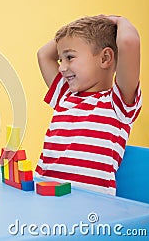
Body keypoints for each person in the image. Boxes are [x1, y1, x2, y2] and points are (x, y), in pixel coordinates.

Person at [34, 15, 142, 195]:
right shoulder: (65, 95)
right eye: (61, 59)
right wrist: (75, 30)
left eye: (69, 57)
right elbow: (43, 54)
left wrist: (116, 20)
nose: (61, 67)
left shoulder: (117, 103)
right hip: (45, 196)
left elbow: (129, 42)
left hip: (92, 207)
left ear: (105, 58)